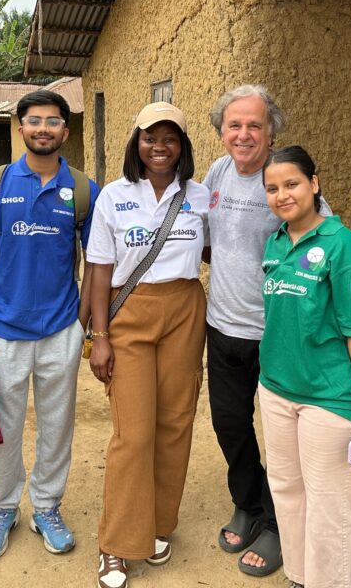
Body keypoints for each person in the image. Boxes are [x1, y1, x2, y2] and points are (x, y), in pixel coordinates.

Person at [202, 85, 351, 577]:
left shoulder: (300, 200)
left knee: (298, 460)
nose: (243, 135)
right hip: (223, 327)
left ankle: (280, 535)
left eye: (254, 126)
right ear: (222, 132)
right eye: (234, 125)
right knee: (231, 427)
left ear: (270, 132)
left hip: (280, 339)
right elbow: (209, 244)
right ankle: (250, 505)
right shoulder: (216, 174)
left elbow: (337, 255)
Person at [0, 89, 101, 562]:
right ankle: (3, 508)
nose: (44, 129)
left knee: (57, 426)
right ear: (20, 127)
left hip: (61, 331)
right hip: (3, 333)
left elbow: (96, 263)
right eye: (34, 120)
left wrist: (83, 325)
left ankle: (46, 506)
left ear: (66, 129)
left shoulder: (83, 190)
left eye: (53, 121)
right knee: (3, 427)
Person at [85, 102, 210, 588]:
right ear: (136, 143)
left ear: (182, 147)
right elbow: (98, 269)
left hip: (184, 309)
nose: (159, 147)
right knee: (133, 433)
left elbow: (221, 246)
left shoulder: (200, 196)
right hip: (129, 309)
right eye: (149, 138)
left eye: (170, 138)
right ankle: (115, 545)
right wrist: (100, 336)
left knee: (175, 423)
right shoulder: (114, 197)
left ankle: (155, 526)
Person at [259, 145, 351, 588]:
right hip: (275, 390)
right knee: (288, 493)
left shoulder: (342, 244)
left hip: (328, 398)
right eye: (272, 188)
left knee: (329, 505)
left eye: (292, 184)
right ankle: (299, 576)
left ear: (314, 185)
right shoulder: (276, 241)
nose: (282, 195)